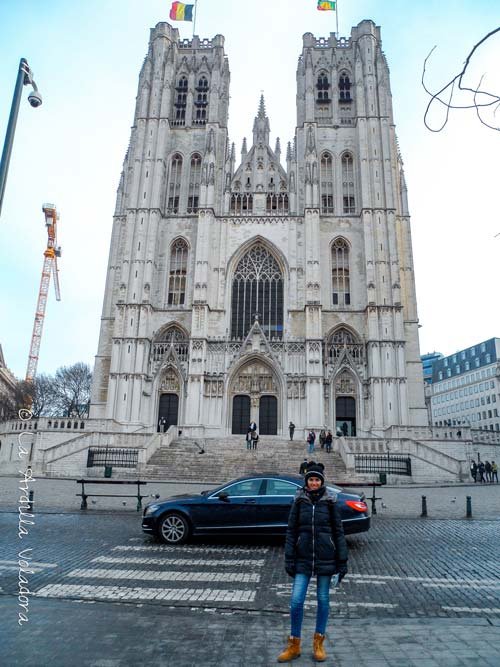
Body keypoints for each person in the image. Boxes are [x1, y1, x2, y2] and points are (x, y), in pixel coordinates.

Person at [278, 462, 348, 663]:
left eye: (317, 479)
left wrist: (342, 560)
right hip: (303, 557)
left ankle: (318, 643)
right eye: (311, 479)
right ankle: (294, 644)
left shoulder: (331, 502)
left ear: (322, 481)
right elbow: (291, 531)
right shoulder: (299, 501)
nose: (314, 482)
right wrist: (289, 557)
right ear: (307, 481)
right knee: (296, 601)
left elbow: (338, 532)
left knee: (323, 600)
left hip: (326, 557)